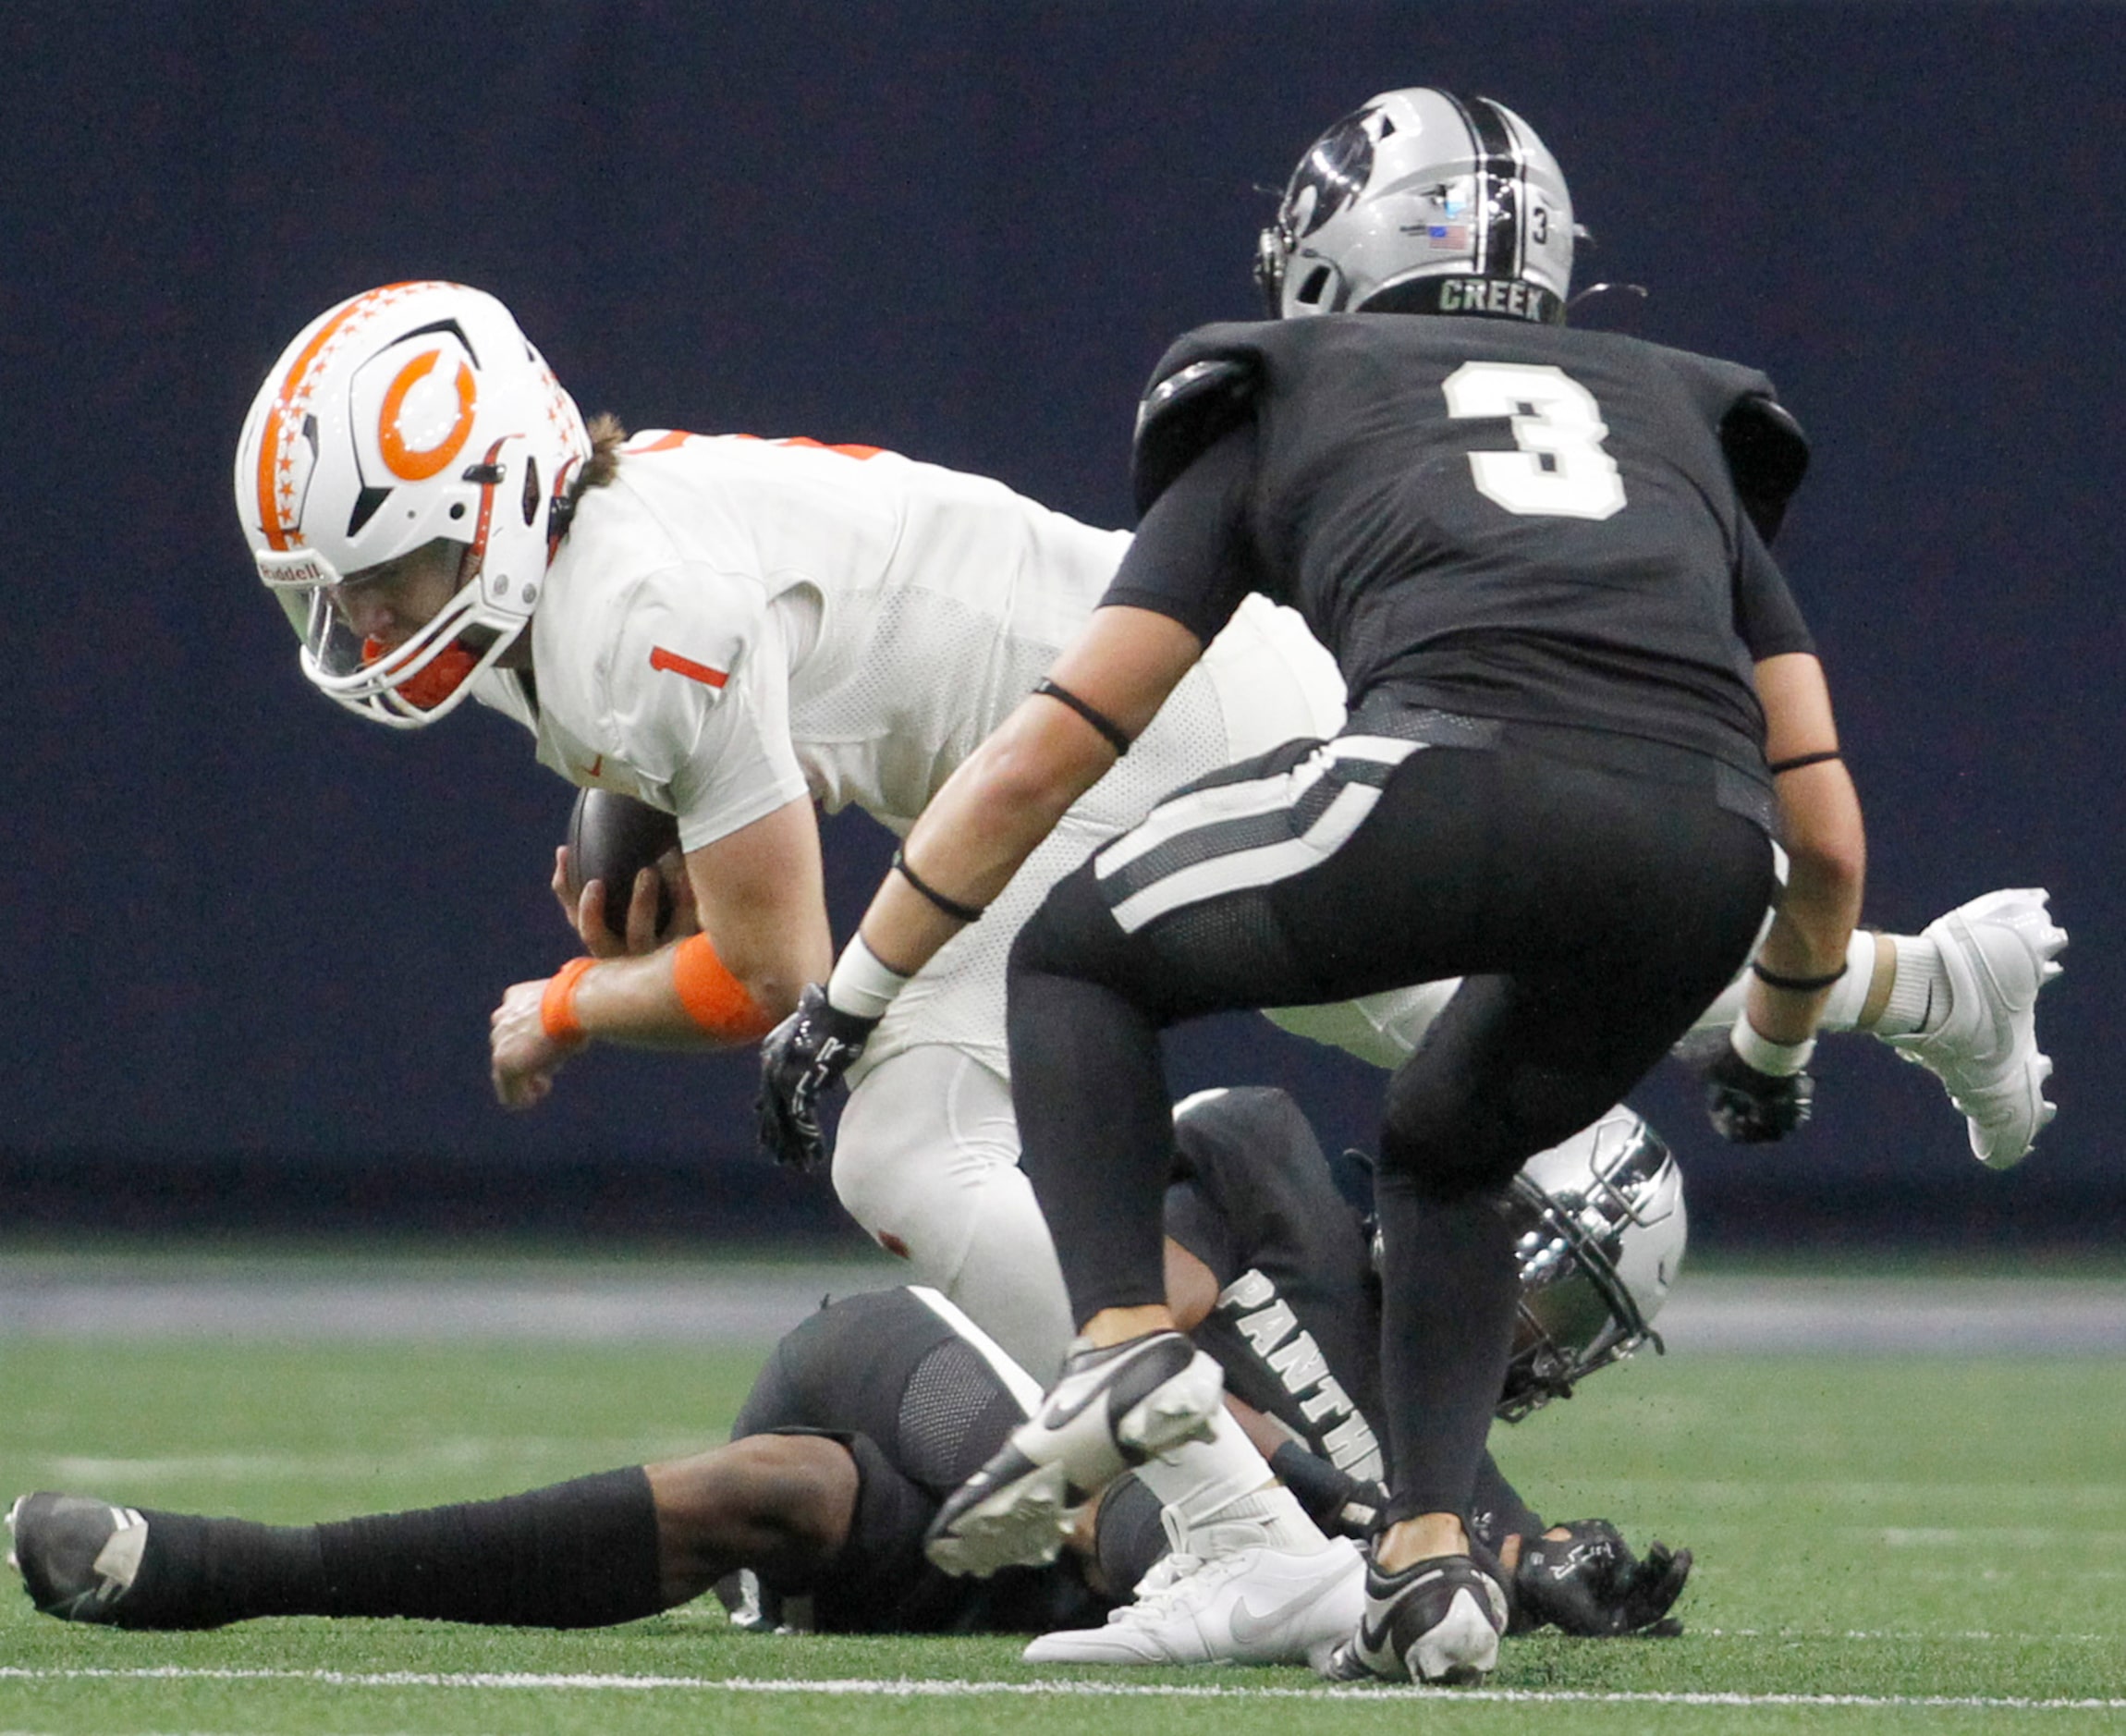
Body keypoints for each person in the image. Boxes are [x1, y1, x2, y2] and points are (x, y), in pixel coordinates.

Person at [237, 270, 2059, 1660]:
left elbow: (772, 981)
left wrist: (559, 1008)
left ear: (495, 496)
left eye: (383, 579)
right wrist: (634, 802)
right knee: (948, 1124)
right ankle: (1244, 1528)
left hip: (1140, 736)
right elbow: (705, 729)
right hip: (1039, 786)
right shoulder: (605, 556)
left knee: (1489, 973)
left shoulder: (633, 614)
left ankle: (1243, 1526)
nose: (364, 626)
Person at [752, 87, 2031, 1685]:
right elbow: (1825, 835)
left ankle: (1121, 1357)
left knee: (1078, 955)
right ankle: (1429, 1564)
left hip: (1454, 780)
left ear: (1351, 244)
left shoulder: (1289, 384)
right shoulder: (1677, 413)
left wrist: (850, 995)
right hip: (1707, 852)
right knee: (1447, 1141)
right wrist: (1770, 1051)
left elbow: (1055, 748)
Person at [7, 1088, 1688, 1657]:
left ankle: (223, 1564)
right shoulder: (1272, 1176)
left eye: (1579, 1335)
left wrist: (1546, 1573)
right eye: (1560, 1298)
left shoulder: (1443, 1438)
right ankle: (254, 1573)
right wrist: (1390, 1516)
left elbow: (1463, 1548)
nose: (1542, 1349)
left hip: (961, 1562)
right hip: (922, 1378)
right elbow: (1127, 1330)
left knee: (786, 1510)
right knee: (1146, 1483)